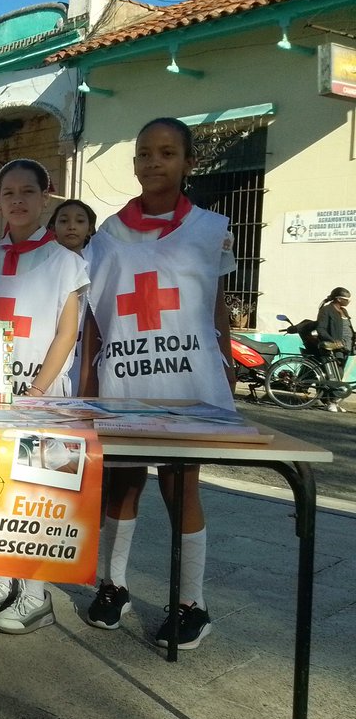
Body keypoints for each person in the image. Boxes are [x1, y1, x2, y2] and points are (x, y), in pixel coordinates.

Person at [80, 117, 236, 650]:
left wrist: (228, 372)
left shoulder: (211, 229)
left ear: (188, 162)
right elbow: (97, 318)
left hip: (187, 385)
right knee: (122, 485)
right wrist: (86, 389)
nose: (153, 162)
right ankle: (112, 584)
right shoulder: (107, 237)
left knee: (180, 485)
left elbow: (216, 308)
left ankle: (192, 602)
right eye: (144, 153)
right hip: (123, 385)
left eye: (167, 152)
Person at [0, 159, 88, 634]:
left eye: (29, 191)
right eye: (9, 193)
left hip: (45, 398)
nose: (19, 200)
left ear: (46, 197)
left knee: (42, 496)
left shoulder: (67, 262)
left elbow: (66, 333)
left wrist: (38, 390)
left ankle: (36, 594)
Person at [48, 199, 98, 393]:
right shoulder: (47, 265)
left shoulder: (97, 265)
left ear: (90, 228)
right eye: (64, 221)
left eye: (79, 221)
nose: (71, 227)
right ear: (53, 227)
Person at [313, 286, 353, 413]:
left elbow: (348, 328)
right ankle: (330, 402)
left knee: (339, 375)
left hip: (345, 347)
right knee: (334, 376)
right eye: (346, 299)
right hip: (333, 348)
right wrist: (332, 340)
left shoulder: (344, 311)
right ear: (338, 299)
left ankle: (334, 401)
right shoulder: (327, 310)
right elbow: (321, 328)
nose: (348, 302)